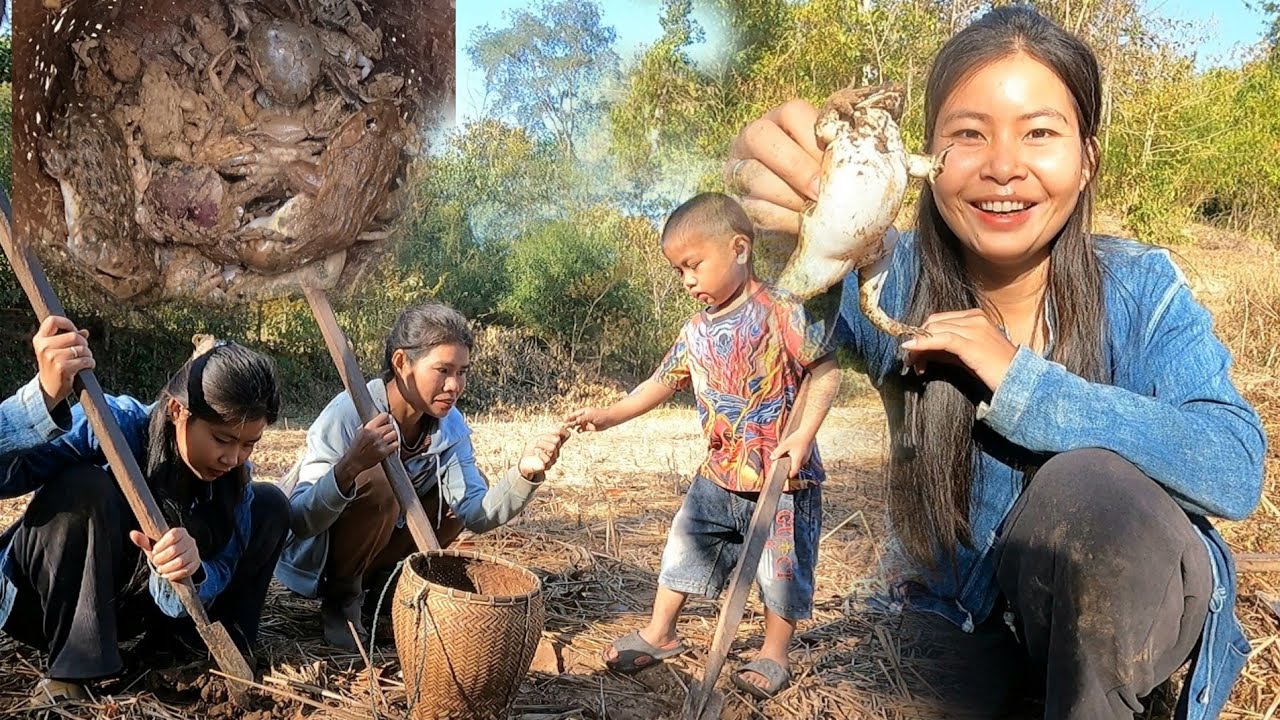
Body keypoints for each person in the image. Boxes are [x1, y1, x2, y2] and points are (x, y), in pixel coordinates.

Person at [724, 5, 1265, 719]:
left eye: (1040, 133)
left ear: (1087, 159)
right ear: (922, 163)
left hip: (1133, 627)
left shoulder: (1143, 288)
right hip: (959, 639)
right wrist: (766, 215)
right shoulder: (889, 276)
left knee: (1088, 487)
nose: (1003, 167)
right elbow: (770, 343)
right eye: (968, 135)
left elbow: (1233, 466)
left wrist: (1023, 385)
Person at [565, 192, 842, 700]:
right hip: (718, 474)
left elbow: (825, 370)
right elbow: (661, 382)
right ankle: (660, 632)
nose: (687, 280)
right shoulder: (695, 331)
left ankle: (774, 653)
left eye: (693, 265)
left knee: (782, 568)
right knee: (684, 549)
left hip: (783, 479)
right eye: (678, 271)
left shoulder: (782, 310)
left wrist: (802, 436)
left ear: (739, 248)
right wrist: (609, 415)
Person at [0, 319, 289, 705]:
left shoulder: (233, 478)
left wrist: (193, 571)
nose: (233, 457)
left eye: (249, 444)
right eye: (222, 439)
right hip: (44, 603)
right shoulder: (112, 423)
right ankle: (72, 675)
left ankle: (193, 656)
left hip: (130, 609)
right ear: (177, 410)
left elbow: (226, 563)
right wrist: (45, 398)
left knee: (271, 505)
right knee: (86, 486)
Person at [275, 301, 570, 651]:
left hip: (385, 546)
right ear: (402, 363)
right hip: (321, 559)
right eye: (443, 370)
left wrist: (523, 474)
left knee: (452, 503)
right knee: (379, 480)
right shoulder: (348, 413)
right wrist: (350, 466)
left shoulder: (450, 425)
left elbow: (475, 513)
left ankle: (389, 593)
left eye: (462, 372)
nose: (454, 385)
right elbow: (300, 520)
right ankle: (343, 601)